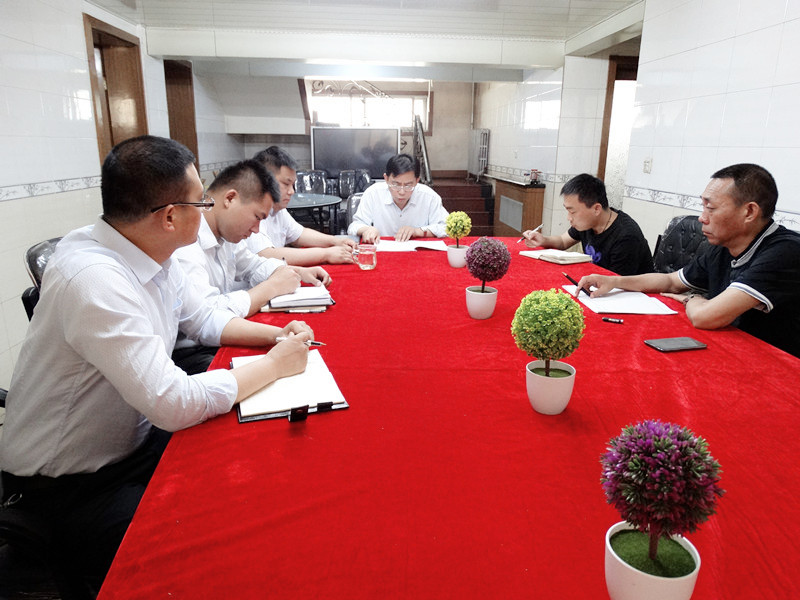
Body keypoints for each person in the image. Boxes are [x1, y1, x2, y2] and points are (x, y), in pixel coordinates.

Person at [0, 136, 315, 590]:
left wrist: (277, 337)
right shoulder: (95, 278)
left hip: (133, 441)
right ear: (169, 217)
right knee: (208, 544)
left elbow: (202, 318)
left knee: (246, 470)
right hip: (69, 485)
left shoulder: (150, 253)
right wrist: (274, 366)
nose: (205, 210)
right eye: (199, 202)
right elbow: (172, 402)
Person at [577, 163, 800, 358]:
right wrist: (614, 282)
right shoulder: (724, 245)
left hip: (779, 365)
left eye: (710, 208)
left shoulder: (785, 252)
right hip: (731, 348)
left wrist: (691, 298)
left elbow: (705, 317)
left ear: (749, 211)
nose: (702, 217)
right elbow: (671, 282)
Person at [172, 159, 331, 374]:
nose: (257, 230)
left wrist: (290, 272)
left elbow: (253, 264)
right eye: (257, 217)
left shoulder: (227, 235)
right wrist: (271, 288)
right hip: (190, 353)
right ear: (230, 198)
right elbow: (205, 317)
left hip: (217, 334)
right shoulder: (186, 242)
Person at [244, 146, 357, 265]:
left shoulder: (278, 209)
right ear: (264, 181)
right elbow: (266, 254)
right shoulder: (251, 210)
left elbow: (299, 234)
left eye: (292, 185)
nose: (292, 191)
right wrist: (325, 254)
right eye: (286, 184)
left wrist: (335, 241)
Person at [521, 173, 652, 275]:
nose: (569, 218)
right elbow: (563, 241)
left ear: (596, 209)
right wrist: (543, 240)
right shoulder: (589, 222)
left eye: (572, 212)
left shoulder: (626, 237)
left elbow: (617, 284)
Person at [347, 153, 449, 243]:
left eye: (408, 185)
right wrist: (367, 229)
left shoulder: (429, 197)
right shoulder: (373, 194)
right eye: (396, 184)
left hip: (417, 254)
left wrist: (417, 231)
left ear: (417, 181)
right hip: (382, 251)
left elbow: (446, 228)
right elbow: (354, 226)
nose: (401, 192)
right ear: (386, 179)